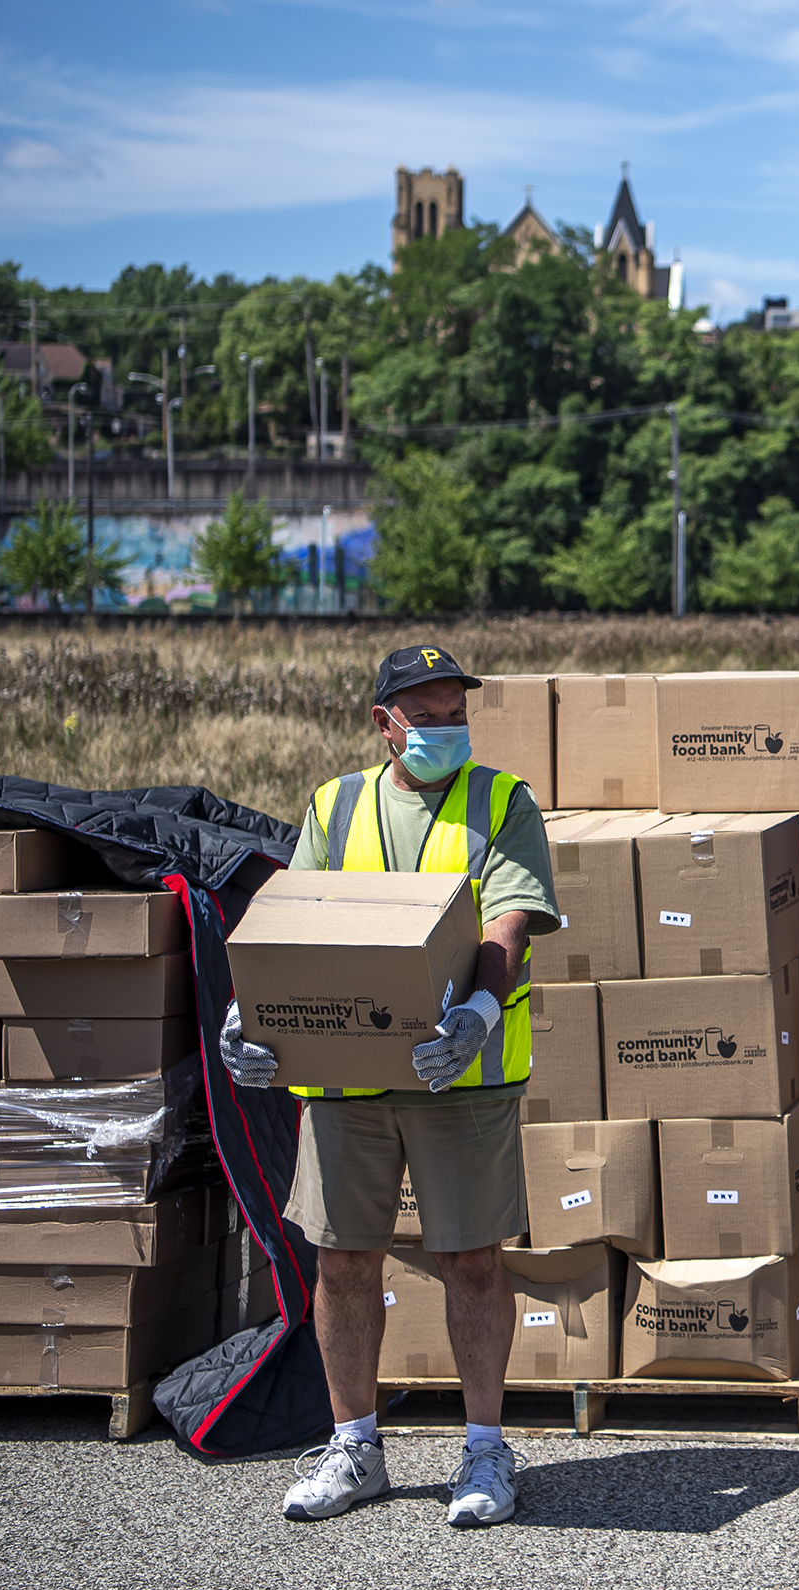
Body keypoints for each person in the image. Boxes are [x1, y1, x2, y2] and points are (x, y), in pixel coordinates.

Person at [220, 645, 559, 1528]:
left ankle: (485, 1450)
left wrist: (482, 1008)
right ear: (385, 723)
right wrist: (252, 1019)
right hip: (345, 1079)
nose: (447, 728)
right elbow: (299, 922)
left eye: (458, 712)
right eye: (429, 713)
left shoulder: (501, 800)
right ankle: (354, 1446)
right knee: (341, 1258)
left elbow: (510, 917)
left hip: (463, 1071)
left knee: (471, 1261)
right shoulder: (336, 804)